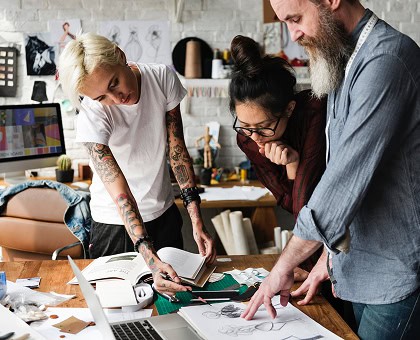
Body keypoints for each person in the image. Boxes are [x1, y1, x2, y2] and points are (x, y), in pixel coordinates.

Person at [242, 1, 420, 339]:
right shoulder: (344, 58)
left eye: (295, 19)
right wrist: (330, 256)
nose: (293, 35)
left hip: (397, 276)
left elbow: (344, 184)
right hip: (360, 269)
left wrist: (284, 265)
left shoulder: (386, 60)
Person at [58, 33, 216, 296]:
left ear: (121, 56)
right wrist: (148, 256)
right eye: (102, 97)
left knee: (174, 301)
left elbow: (177, 150)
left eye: (114, 82)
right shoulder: (91, 112)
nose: (116, 98)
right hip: (114, 225)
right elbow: (118, 187)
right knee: (120, 308)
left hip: (163, 213)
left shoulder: (162, 77)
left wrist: (196, 219)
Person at [229, 35, 328, 277]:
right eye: (245, 125)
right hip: (311, 240)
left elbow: (308, 204)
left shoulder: (314, 112)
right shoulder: (247, 139)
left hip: (341, 234)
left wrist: (295, 163)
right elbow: (287, 203)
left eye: (264, 126)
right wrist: (293, 166)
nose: (255, 137)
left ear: (289, 109)